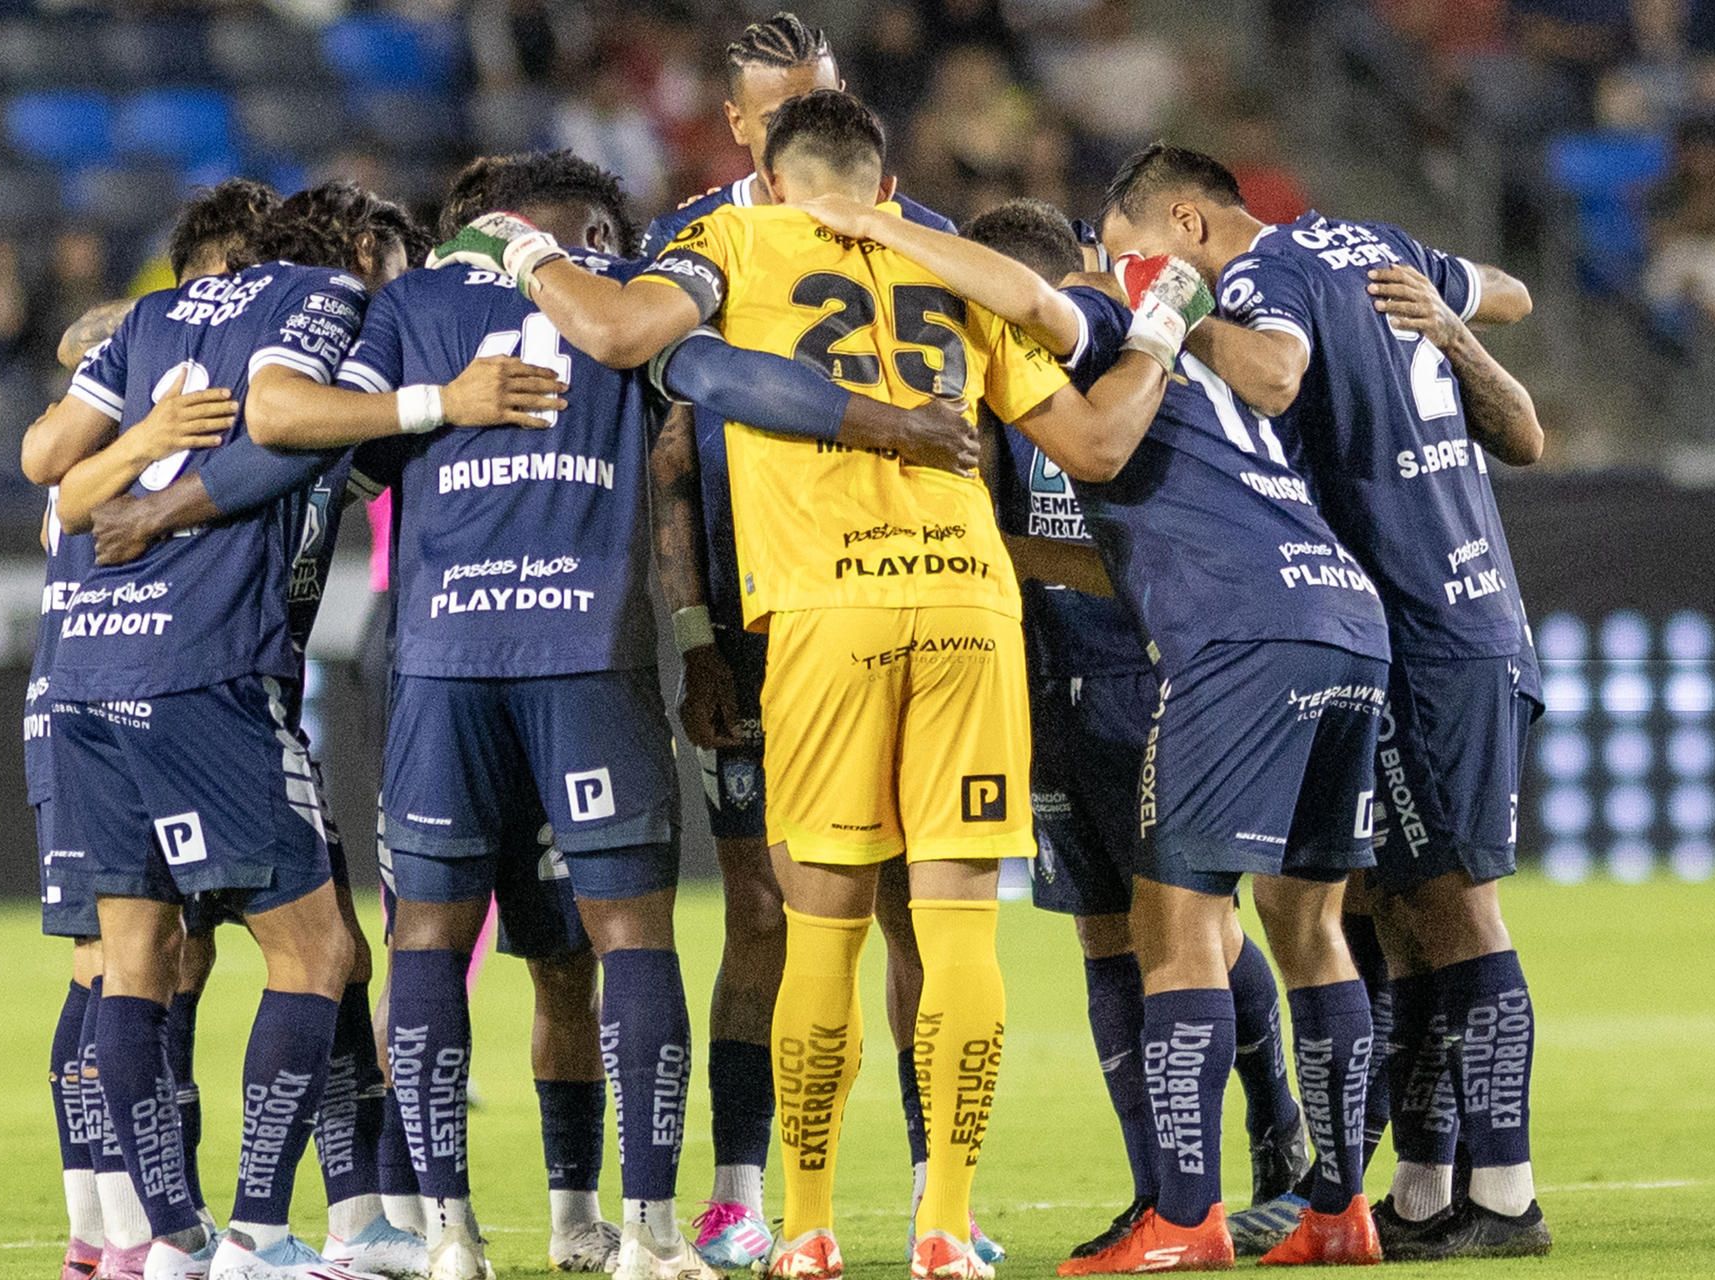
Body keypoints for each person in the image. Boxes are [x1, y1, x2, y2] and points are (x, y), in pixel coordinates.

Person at [443, 89, 1174, 1280]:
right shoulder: (952, 264)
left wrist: (525, 251)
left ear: (772, 180)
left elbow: (628, 338)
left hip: (828, 611)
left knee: (816, 932)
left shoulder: (733, 239)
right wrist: (1158, 336)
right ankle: (946, 1221)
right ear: (882, 185)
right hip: (969, 603)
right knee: (952, 933)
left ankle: (812, 1221)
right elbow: (1090, 447)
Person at [810, 173, 1391, 1267]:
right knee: (1304, 926)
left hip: (1226, 642)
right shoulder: (1206, 374)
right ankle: (1337, 1207)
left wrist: (882, 226)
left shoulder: (1120, 333)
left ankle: (1185, 1217)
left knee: (1178, 932)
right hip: (1337, 618)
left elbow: (1035, 307)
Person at [1108, 142, 1551, 1263]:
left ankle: (1505, 1192)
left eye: (1144, 260)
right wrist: (1453, 319)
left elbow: (1273, 374)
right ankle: (1423, 1182)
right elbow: (1510, 290)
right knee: (1395, 917)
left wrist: (1166, 321)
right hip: (1453, 612)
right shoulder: (1376, 247)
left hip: (1428, 626)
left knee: (1452, 911)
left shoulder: (1260, 280)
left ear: (1190, 227)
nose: (1142, 285)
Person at [634, 16, 993, 1269]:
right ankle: (748, 1188)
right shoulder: (707, 244)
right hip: (760, 614)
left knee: (912, 916)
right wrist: (695, 636)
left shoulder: (918, 237)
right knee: (765, 912)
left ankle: (932, 1192)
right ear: (739, 128)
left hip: (873, 600)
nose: (800, 121)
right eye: (779, 106)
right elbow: (674, 458)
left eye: (819, 100)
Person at [30, 180, 412, 1280]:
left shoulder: (145, 325)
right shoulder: (320, 316)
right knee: (321, 948)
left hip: (89, 674)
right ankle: (254, 1229)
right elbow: (287, 428)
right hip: (205, 671)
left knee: (136, 958)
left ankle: (172, 1236)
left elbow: (46, 468)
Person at [952, 198, 1310, 1269]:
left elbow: (1149, 564)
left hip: (1158, 679)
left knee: (1190, 936)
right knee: (1106, 939)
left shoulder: (1131, 375)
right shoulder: (1003, 392)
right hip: (1056, 690)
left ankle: (1277, 1129)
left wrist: (1008, 554)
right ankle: (1157, 1191)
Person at [26, 179, 277, 1280]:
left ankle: (102, 1227)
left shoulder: (140, 457)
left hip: (99, 695)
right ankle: (126, 1225)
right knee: (111, 959)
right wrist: (152, 433)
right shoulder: (107, 465)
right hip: (100, 701)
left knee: (150, 958)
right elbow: (70, 484)